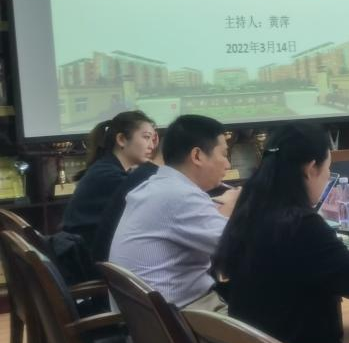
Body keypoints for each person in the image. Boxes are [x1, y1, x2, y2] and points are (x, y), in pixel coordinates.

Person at [215, 123, 349, 343]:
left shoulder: (250, 209)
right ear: (311, 168)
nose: (328, 177)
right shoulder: (300, 225)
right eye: (328, 169)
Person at [109, 115, 238, 312]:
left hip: (151, 319)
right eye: (224, 154)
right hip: (181, 319)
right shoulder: (180, 195)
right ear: (197, 156)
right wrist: (237, 206)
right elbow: (241, 248)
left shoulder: (160, 186)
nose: (227, 164)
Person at [60, 111, 157, 248]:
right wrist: (159, 161)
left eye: (153, 139)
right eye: (146, 137)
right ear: (122, 139)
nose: (152, 146)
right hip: (88, 256)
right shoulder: (109, 176)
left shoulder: (107, 168)